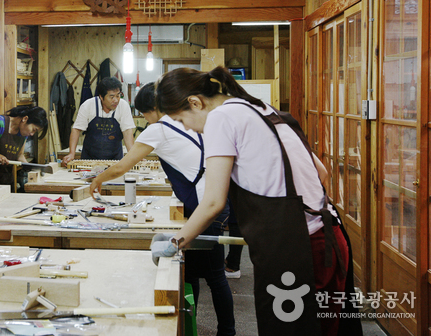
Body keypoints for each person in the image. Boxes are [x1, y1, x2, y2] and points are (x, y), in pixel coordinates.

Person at [155, 67, 361, 336]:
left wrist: (175, 243)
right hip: (329, 240)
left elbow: (213, 202)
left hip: (298, 252)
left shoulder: (221, 118)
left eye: (181, 119)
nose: (186, 127)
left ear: (195, 102)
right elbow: (321, 173)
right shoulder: (261, 108)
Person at [90, 83, 235, 336]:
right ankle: (192, 324)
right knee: (191, 270)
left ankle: (227, 331)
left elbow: (123, 166)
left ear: (154, 109)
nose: (145, 120)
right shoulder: (183, 121)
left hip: (205, 204)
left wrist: (97, 180)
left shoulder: (158, 129)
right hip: (215, 195)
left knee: (213, 274)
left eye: (145, 114)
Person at [0, 106, 48, 195]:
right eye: (33, 129)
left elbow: (19, 155)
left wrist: (30, 167)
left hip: (5, 178)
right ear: (25, 119)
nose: (32, 134)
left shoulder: (23, 133)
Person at [62, 77, 135, 165]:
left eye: (118, 95)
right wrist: (71, 153)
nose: (116, 100)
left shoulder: (123, 106)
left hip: (115, 159)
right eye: (111, 97)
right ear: (101, 96)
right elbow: (76, 129)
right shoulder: (88, 105)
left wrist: (133, 156)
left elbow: (127, 132)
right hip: (89, 159)